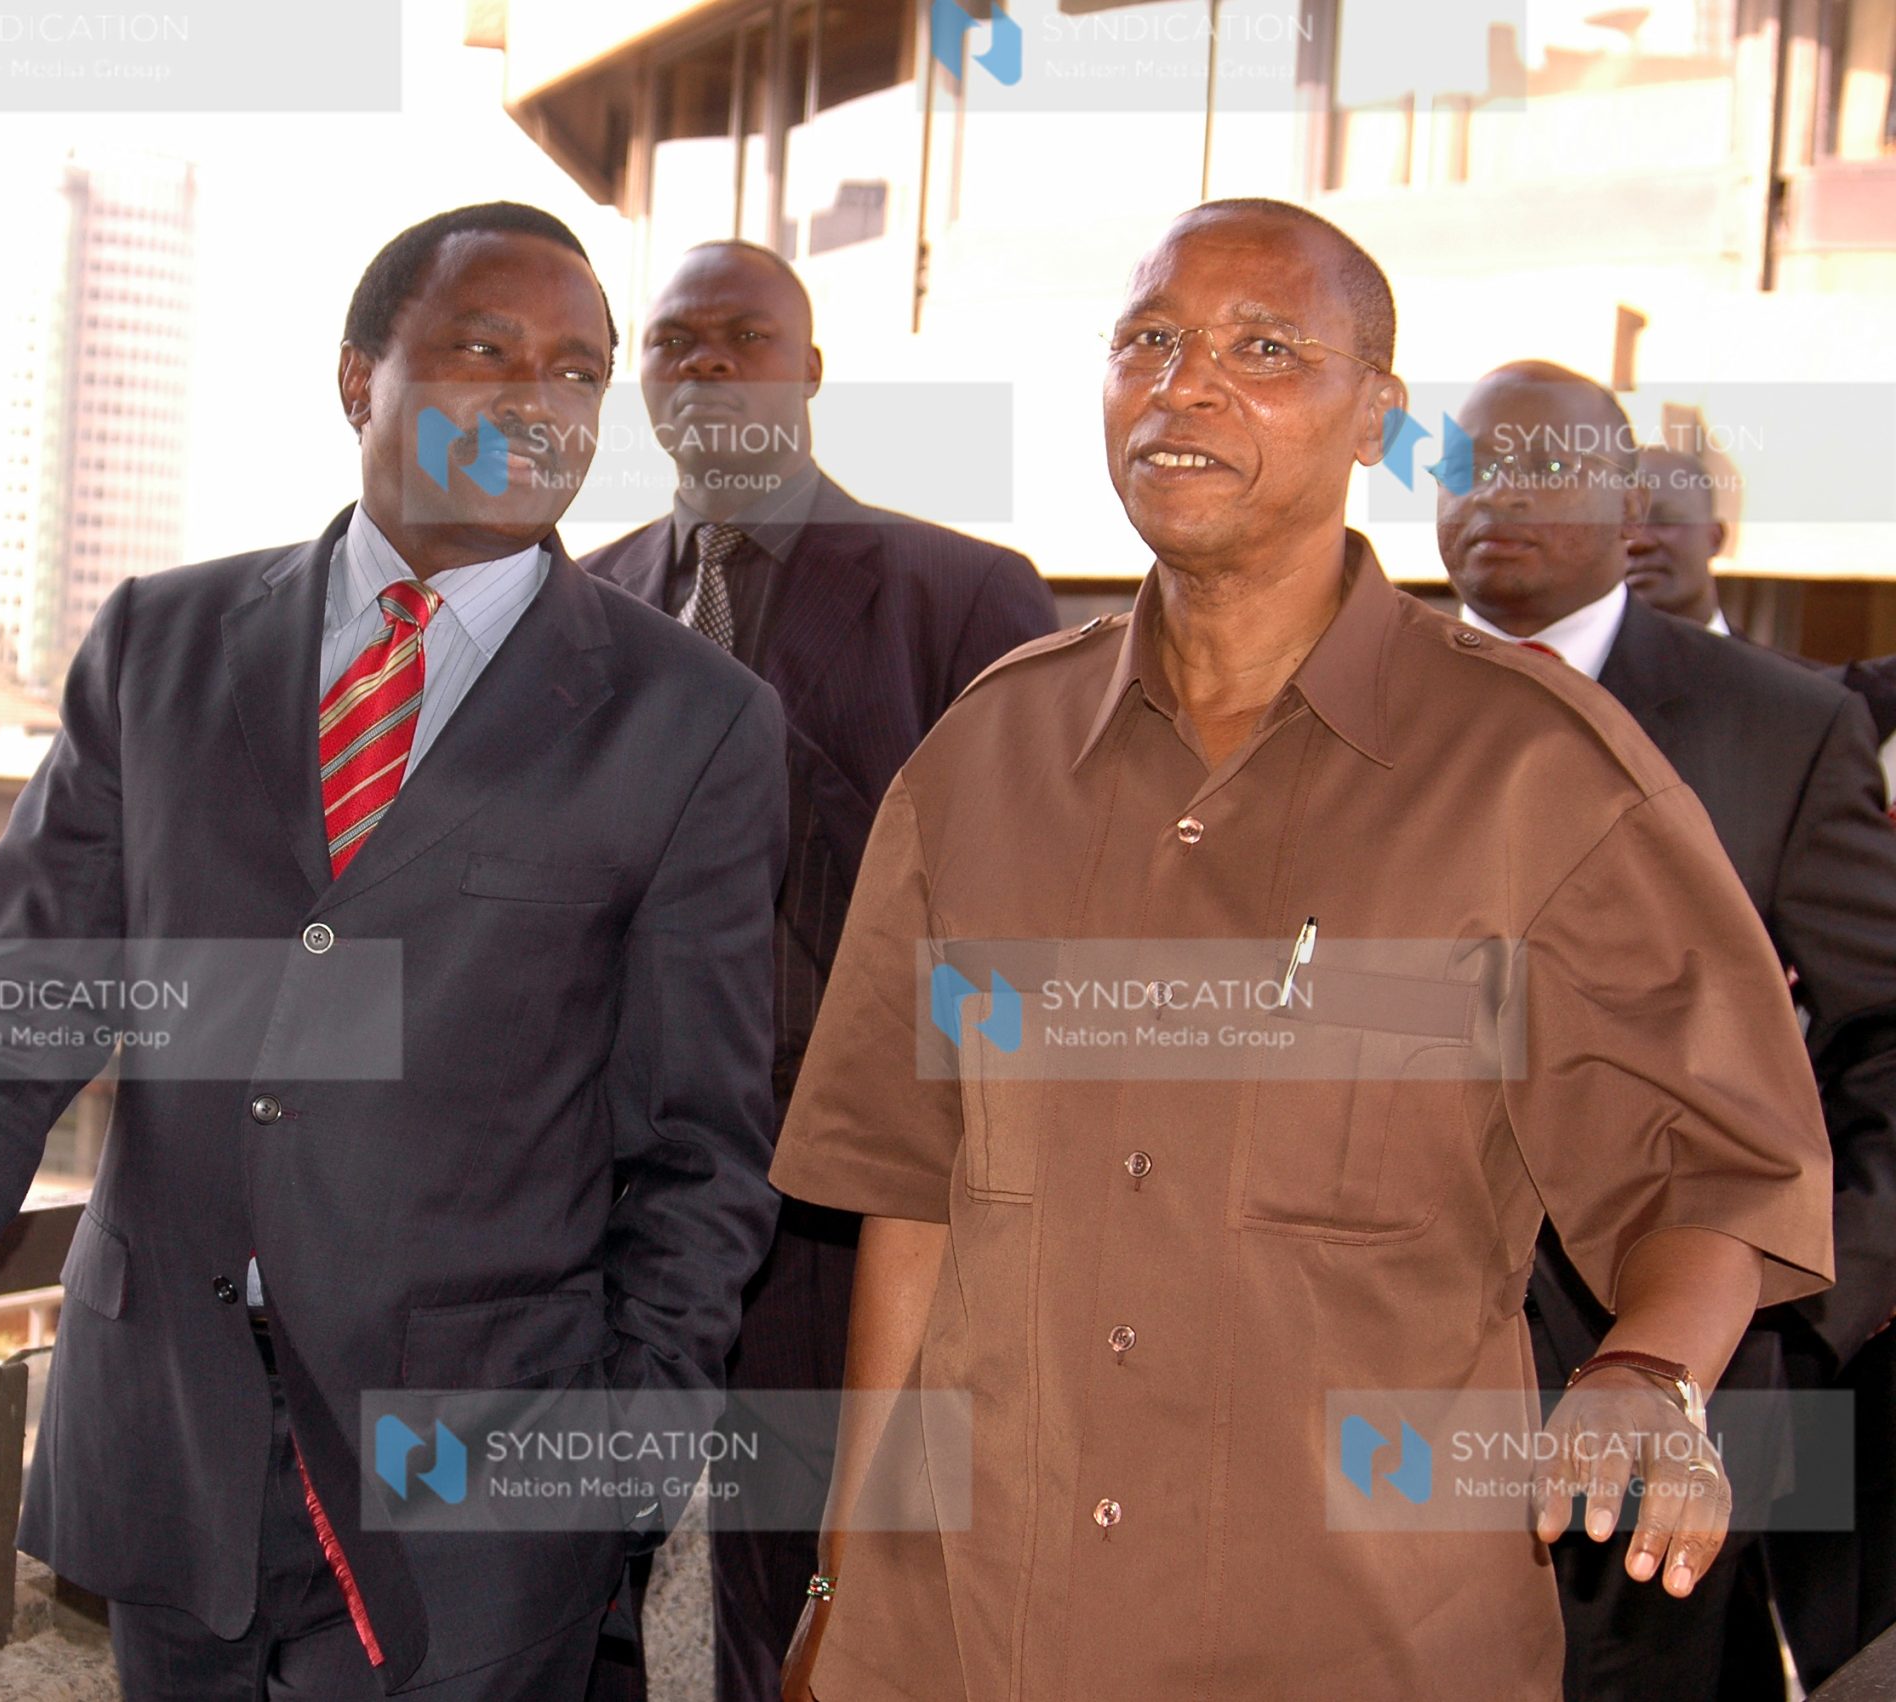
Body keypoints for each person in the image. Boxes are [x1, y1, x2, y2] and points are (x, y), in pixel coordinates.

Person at [769, 198, 1835, 1702]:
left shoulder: (1535, 774)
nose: (1183, 385)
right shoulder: (980, 757)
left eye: (1262, 348)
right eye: (1149, 340)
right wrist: (846, 1579)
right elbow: (912, 1206)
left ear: (1378, 418)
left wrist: (1646, 1374)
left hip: (1363, 1641)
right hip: (981, 1635)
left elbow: (1710, 1157)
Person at [0, 201, 790, 1702]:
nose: (541, 399)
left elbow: (702, 1151)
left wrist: (613, 1476)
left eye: (579, 371)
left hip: (478, 1507)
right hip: (166, 1458)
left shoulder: (690, 720)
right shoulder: (159, 647)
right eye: (483, 349)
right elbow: (10, 1003)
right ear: (357, 379)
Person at [579, 239, 1057, 1702]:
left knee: (805, 1607)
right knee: (571, 1574)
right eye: (675, 344)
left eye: (744, 338)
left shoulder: (962, 595)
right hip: (605, 1197)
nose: (709, 366)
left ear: (810, 369)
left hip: (842, 1207)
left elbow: (1017, 907)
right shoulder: (573, 602)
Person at [1442, 360, 1896, 1697]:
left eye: (1542, 463)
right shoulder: (1358, 704)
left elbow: (1884, 1026)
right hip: (1360, 1397)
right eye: (1468, 465)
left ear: (1629, 497)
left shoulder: (1779, 723)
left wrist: (1812, 1300)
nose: (1497, 496)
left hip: (1667, 1398)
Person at [1624, 445, 1732, 631]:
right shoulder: (1572, 659)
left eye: (1665, 519)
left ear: (1715, 537)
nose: (1638, 542)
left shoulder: (1767, 661)